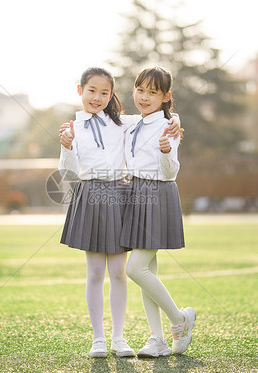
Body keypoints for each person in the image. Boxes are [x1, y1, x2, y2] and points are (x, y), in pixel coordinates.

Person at [58, 67, 181, 358]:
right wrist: (65, 147)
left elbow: (153, 119)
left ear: (112, 95)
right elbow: (68, 172)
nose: (97, 98)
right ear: (80, 91)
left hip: (119, 194)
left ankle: (119, 338)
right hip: (89, 194)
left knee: (119, 272)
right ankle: (98, 339)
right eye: (92, 91)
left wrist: (175, 120)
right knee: (95, 272)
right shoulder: (72, 127)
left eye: (104, 93)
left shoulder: (121, 123)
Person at [121, 66, 196, 358]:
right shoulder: (133, 123)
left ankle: (179, 319)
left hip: (158, 193)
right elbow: (106, 119)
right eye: (140, 90)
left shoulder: (168, 126)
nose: (144, 97)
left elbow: (171, 171)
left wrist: (167, 151)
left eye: (153, 92)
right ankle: (158, 339)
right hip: (136, 193)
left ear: (165, 96)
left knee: (135, 268)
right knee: (146, 270)